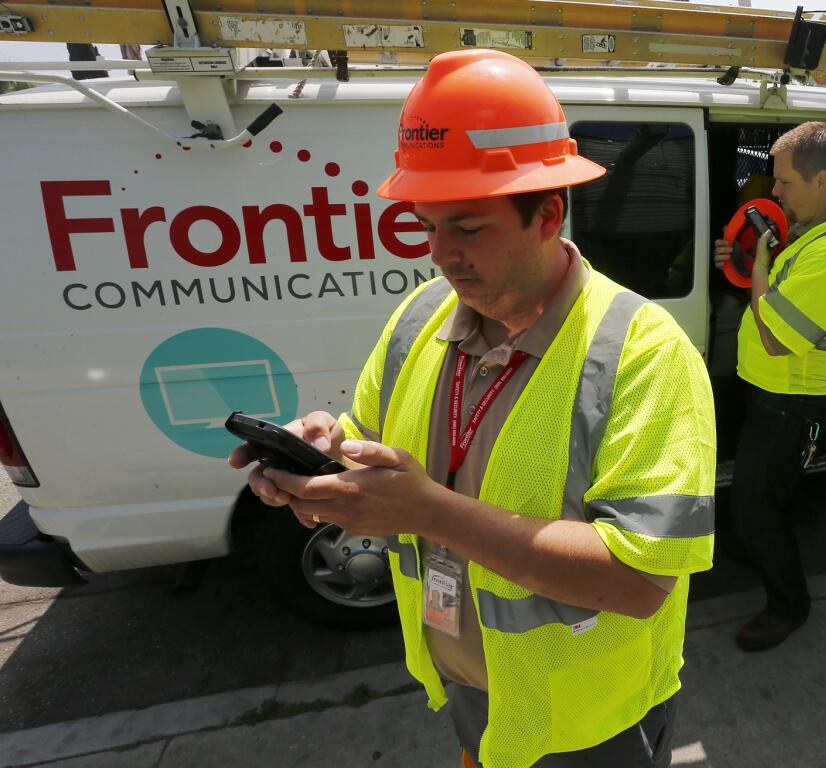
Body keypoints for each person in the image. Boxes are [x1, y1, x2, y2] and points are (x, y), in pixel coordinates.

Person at [229, 49, 716, 768]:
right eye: (428, 226)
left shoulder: (643, 353)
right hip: (471, 694)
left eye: (468, 227)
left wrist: (425, 510)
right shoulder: (423, 314)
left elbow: (640, 581)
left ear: (547, 213)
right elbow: (368, 439)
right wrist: (324, 458)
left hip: (592, 722)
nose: (441, 255)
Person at [712, 123, 826, 653]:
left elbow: (778, 337)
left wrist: (755, 265)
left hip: (795, 400)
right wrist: (741, 262)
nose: (773, 192)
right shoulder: (816, 224)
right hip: (769, 390)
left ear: (821, 179)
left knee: (763, 506)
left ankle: (789, 605)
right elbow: (782, 287)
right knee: (750, 496)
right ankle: (749, 543)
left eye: (782, 182)